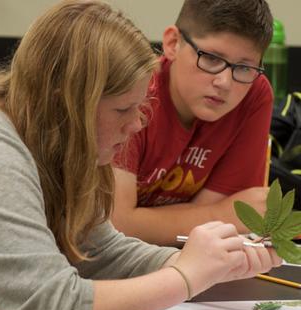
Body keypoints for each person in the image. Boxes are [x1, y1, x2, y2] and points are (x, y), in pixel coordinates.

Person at [0, 1, 281, 310]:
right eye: (123, 109)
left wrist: (214, 262)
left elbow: (98, 251)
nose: (136, 125)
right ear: (64, 101)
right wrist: (185, 277)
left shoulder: (54, 140)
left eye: (140, 107)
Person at [112, 0, 275, 246]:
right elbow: (116, 225)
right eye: (210, 58)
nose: (225, 82)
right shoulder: (135, 91)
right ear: (173, 44)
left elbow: (214, 234)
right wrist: (221, 214)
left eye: (244, 67)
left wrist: (145, 222)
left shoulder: (254, 95)